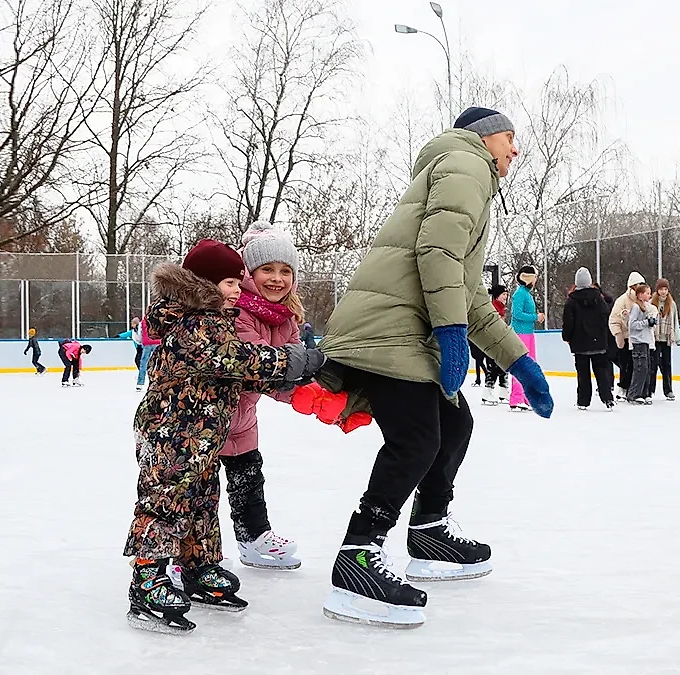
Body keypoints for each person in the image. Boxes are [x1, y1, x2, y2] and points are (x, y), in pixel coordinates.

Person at [311, 106, 554, 629]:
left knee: (454, 424)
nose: (515, 150)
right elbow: (437, 254)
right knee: (418, 438)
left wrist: (519, 363)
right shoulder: (466, 165)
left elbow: (469, 295)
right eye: (510, 138)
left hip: (401, 327)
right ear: (486, 136)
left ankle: (428, 529)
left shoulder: (469, 178)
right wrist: (448, 334)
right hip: (388, 330)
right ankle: (357, 556)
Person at [123, 238, 325, 635]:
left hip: (201, 433)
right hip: (171, 432)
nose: (239, 289)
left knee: (202, 502)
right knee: (166, 502)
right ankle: (146, 578)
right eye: (231, 283)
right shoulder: (192, 321)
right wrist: (296, 359)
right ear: (203, 283)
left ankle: (198, 567)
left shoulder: (213, 317)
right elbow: (239, 360)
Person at [219, 221, 306, 571]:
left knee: (249, 478)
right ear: (249, 274)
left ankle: (253, 538)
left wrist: (328, 395)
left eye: (285, 270)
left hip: (242, 417)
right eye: (267, 269)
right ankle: (189, 554)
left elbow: (297, 369)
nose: (277, 278)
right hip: (206, 416)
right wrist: (305, 392)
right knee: (200, 490)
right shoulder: (237, 311)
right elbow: (260, 370)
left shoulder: (286, 318)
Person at [561, 267, 614, 410]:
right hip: (598, 342)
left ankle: (583, 401)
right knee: (602, 372)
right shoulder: (599, 299)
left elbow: (568, 322)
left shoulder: (571, 301)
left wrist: (566, 336)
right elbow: (605, 317)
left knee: (583, 374)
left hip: (580, 343)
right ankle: (608, 398)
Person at [508, 265, 545, 412]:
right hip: (520, 333)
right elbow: (516, 314)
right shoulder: (519, 294)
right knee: (522, 365)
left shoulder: (526, 294)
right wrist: (536, 317)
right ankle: (516, 398)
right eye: (535, 277)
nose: (536, 280)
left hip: (528, 333)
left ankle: (525, 397)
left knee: (529, 365)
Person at [608, 271, 647, 401]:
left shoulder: (643, 300)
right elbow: (613, 319)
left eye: (642, 284)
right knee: (626, 364)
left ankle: (637, 390)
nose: (640, 286)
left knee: (638, 366)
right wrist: (618, 334)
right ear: (631, 286)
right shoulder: (622, 300)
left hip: (639, 338)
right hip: (625, 338)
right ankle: (623, 388)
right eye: (638, 284)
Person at [626, 283, 659, 404]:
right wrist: (646, 323)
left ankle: (644, 393)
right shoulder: (636, 307)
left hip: (645, 341)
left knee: (646, 368)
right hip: (638, 342)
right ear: (640, 295)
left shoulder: (645, 307)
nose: (649, 295)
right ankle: (634, 394)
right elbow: (633, 324)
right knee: (640, 368)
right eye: (647, 293)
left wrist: (651, 322)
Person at [648, 278, 680, 401]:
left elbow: (675, 321)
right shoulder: (651, 302)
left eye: (665, 289)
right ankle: (650, 390)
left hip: (666, 337)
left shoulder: (671, 304)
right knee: (653, 364)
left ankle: (668, 390)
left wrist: (677, 338)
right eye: (661, 289)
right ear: (657, 290)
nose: (663, 292)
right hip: (654, 337)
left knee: (666, 364)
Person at [481, 285, 510, 404]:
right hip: (492, 342)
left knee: (504, 366)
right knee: (492, 367)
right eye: (503, 295)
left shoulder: (502, 308)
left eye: (506, 295)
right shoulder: (492, 308)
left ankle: (503, 391)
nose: (505, 297)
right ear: (497, 296)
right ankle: (487, 392)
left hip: (500, 341)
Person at [136, 317, 160, 392]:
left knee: (144, 362)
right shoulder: (158, 320)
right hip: (157, 342)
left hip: (147, 343)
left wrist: (140, 342)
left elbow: (140, 334)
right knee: (158, 362)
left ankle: (140, 384)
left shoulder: (143, 322)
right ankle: (157, 381)